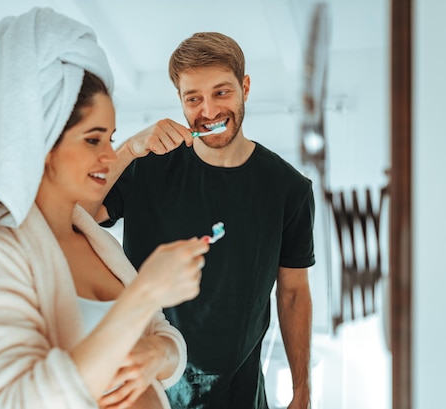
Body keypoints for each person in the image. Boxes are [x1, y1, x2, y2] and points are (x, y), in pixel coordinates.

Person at [0, 8, 211, 409]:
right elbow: (13, 400)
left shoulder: (96, 240)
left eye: (111, 138)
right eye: (94, 140)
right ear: (38, 143)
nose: (111, 157)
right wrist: (143, 293)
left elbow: (161, 333)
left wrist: (160, 355)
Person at [86, 32, 315, 409]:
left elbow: (293, 293)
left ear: (245, 88)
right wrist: (127, 150)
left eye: (221, 93)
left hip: (239, 392)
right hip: (147, 383)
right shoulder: (145, 166)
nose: (208, 111)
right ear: (180, 100)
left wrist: (302, 389)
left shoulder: (289, 188)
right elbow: (84, 213)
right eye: (194, 98)